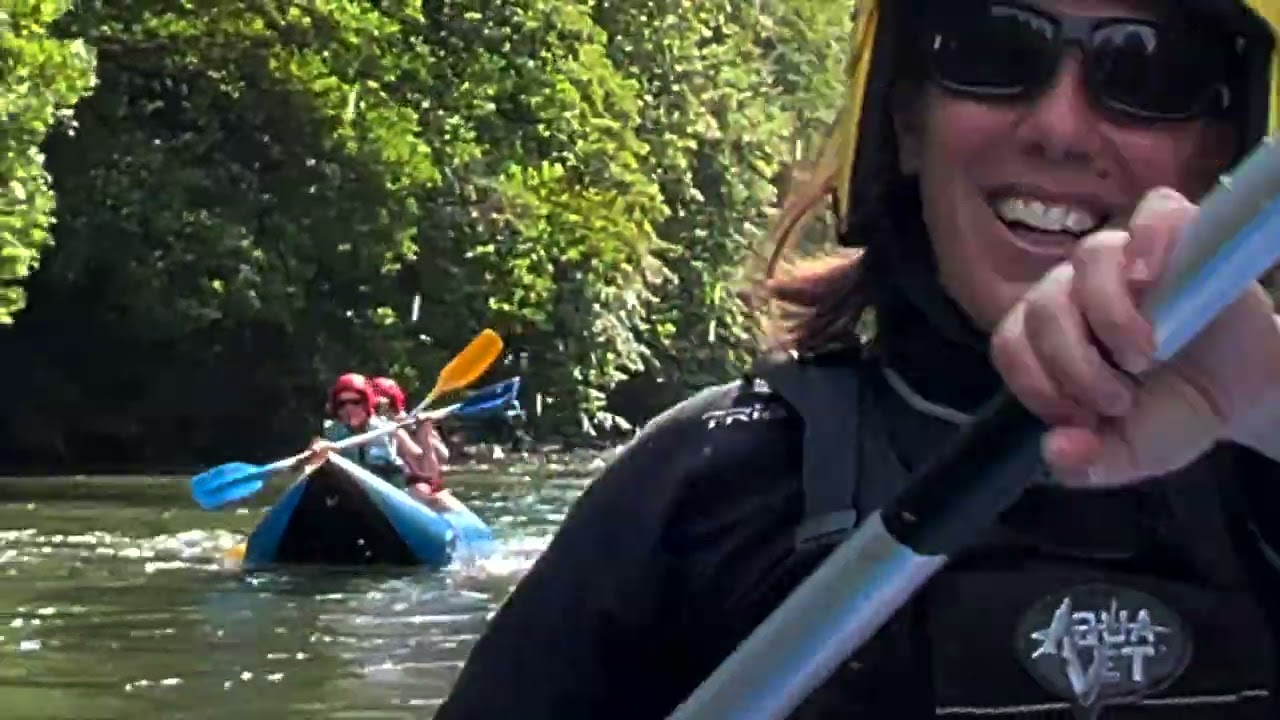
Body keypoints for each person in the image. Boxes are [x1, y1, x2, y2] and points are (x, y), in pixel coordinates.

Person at [435, 0, 1280, 718]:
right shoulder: (701, 487)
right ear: (908, 124)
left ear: (1218, 155)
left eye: (1147, 70)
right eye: (994, 52)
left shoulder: (1265, 460)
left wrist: (1266, 408)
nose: (1060, 128)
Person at [310, 373, 439, 498]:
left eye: (355, 402)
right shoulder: (328, 435)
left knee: (427, 492)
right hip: (351, 500)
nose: (348, 408)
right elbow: (311, 464)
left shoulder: (389, 430)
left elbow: (427, 472)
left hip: (390, 497)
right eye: (342, 404)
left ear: (366, 403)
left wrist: (425, 430)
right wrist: (318, 455)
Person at [369, 375, 451, 499]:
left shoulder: (410, 424)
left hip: (423, 486)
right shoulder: (384, 425)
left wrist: (424, 430)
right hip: (409, 485)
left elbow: (443, 456)